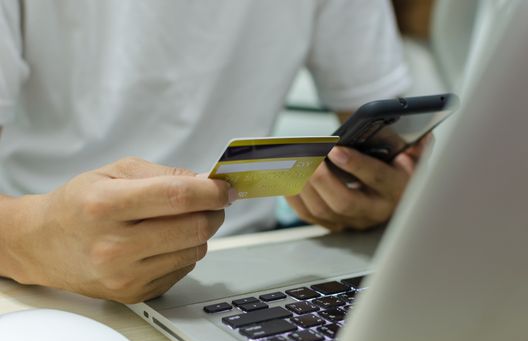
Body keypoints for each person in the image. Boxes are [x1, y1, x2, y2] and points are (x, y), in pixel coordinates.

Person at [0, 0, 422, 303]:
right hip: (42, 287)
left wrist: (393, 191)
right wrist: (32, 240)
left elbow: (392, 131)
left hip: (262, 262)